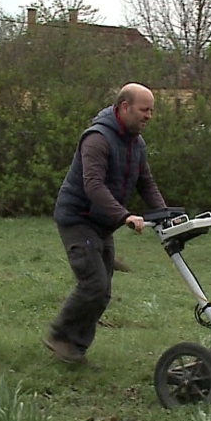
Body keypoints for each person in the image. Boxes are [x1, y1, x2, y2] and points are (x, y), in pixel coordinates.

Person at [47, 83, 167, 365]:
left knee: (102, 291)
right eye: (144, 110)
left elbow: (145, 183)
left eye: (151, 111)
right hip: (78, 218)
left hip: (102, 223)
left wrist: (165, 214)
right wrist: (124, 216)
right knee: (95, 284)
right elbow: (93, 185)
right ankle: (59, 336)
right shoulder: (97, 139)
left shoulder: (136, 144)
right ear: (124, 107)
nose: (149, 116)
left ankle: (74, 348)